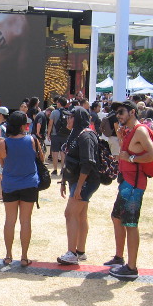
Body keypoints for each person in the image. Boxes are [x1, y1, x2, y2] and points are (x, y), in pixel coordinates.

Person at [105, 100, 153, 279]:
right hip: (127, 182)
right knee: (117, 218)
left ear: (132, 112)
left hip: (134, 184)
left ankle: (131, 267)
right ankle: (119, 257)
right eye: (117, 113)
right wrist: (122, 140)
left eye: (121, 112)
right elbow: (127, 152)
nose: (118, 116)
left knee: (130, 224)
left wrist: (131, 158)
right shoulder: (129, 131)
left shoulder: (140, 130)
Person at [0, 111, 41, 267]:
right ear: (23, 125)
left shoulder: (3, 143)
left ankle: (8, 255)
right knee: (26, 221)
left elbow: (2, 162)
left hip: (10, 184)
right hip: (29, 183)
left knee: (10, 220)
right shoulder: (32, 140)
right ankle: (24, 257)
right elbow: (40, 158)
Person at [57, 107, 100, 265]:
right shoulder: (76, 134)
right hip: (77, 180)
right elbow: (69, 161)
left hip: (85, 181)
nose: (67, 120)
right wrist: (64, 182)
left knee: (70, 213)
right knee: (81, 216)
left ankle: (72, 253)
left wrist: (80, 186)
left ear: (78, 119)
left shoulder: (86, 136)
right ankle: (80, 251)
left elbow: (87, 163)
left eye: (71, 117)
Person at [47, 96, 70, 175]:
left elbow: (50, 124)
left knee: (55, 153)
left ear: (59, 103)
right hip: (65, 135)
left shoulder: (54, 112)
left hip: (55, 134)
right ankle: (62, 169)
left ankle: (55, 169)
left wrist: (48, 134)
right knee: (63, 152)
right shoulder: (67, 112)